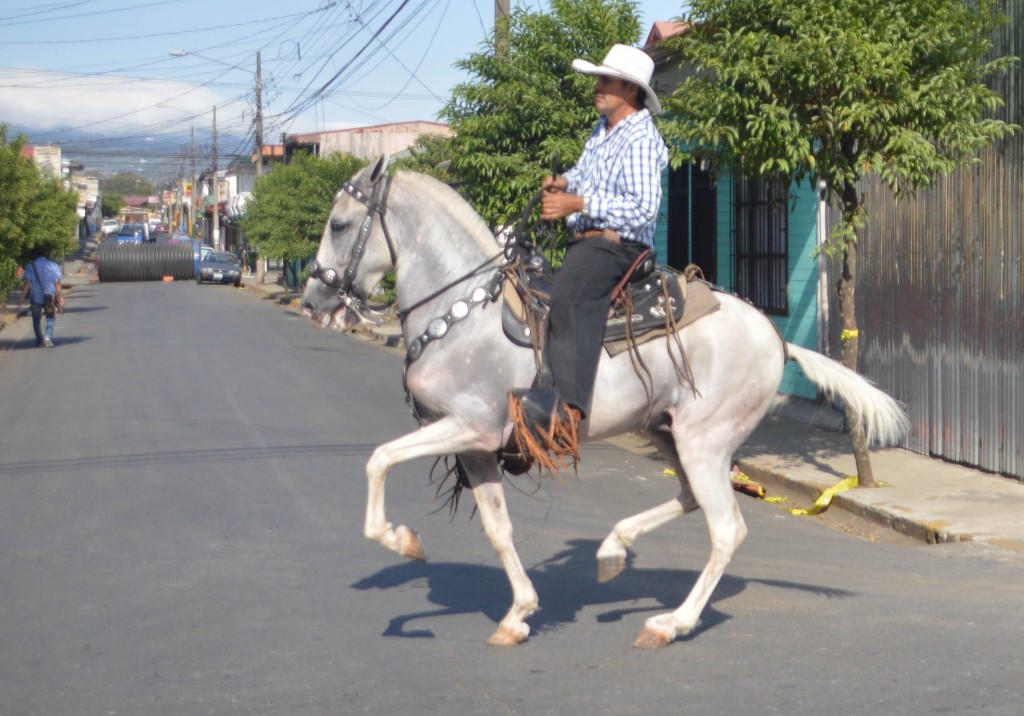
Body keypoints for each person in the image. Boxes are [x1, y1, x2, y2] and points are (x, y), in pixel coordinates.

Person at [511, 43, 669, 438]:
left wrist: (577, 202)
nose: (596, 86)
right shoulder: (603, 129)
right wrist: (564, 181)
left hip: (620, 246)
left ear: (630, 90)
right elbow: (585, 170)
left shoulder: (641, 138)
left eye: (605, 80)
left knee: (569, 296)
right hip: (588, 241)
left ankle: (567, 412)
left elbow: (643, 209)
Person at [17, 247, 64, 348]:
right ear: (45, 254)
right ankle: (48, 337)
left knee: (36, 319)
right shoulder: (53, 266)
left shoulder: (31, 266)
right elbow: (57, 284)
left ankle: (39, 340)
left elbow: (27, 283)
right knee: (50, 318)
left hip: (36, 297)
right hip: (49, 296)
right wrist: (59, 297)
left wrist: (21, 297)